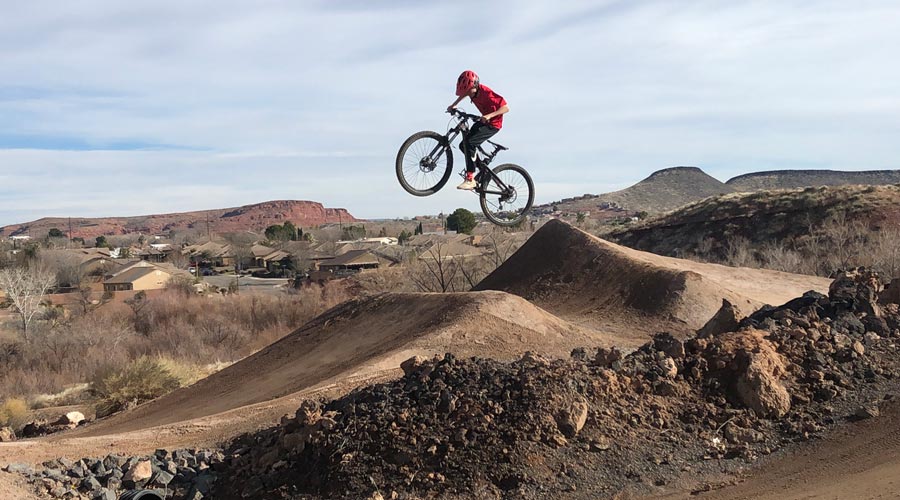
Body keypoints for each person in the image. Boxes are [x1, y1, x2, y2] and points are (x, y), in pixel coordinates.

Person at [446, 70, 509, 190]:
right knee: (463, 145)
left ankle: (470, 178)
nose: (468, 94)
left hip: (493, 124)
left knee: (470, 143)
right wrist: (454, 104)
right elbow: (464, 93)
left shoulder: (486, 92)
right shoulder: (471, 92)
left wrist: (489, 116)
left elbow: (506, 108)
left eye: (469, 91)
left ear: (474, 85)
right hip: (483, 121)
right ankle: (481, 168)